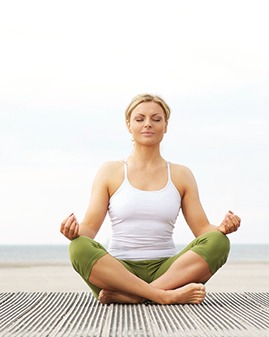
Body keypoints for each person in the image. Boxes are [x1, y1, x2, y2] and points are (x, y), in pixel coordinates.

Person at [60, 93, 241, 305]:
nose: (148, 124)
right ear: (129, 125)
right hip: (119, 271)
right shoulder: (110, 171)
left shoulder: (181, 174)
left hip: (169, 271)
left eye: (156, 119)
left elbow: (202, 229)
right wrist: (72, 232)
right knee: (78, 247)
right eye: (140, 119)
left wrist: (223, 228)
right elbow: (89, 228)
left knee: (219, 242)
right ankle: (163, 296)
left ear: (165, 126)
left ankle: (134, 296)